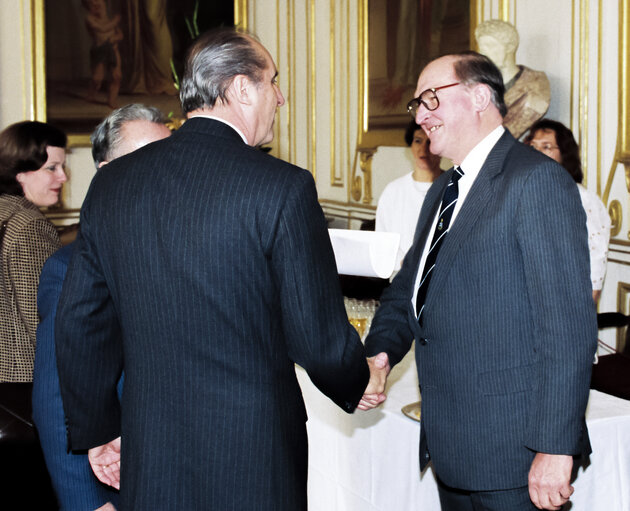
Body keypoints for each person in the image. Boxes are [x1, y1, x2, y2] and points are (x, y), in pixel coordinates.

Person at [55, 28, 370, 510]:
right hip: (255, 452)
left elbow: (82, 320)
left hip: (151, 444)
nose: (280, 97)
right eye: (274, 82)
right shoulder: (282, 187)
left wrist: (99, 428)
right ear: (243, 88)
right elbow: (317, 339)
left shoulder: (112, 183)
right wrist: (358, 378)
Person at [360, 52, 597, 511]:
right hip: (454, 450)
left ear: (479, 97)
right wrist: (380, 355)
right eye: (416, 105)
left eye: (431, 99)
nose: (421, 115)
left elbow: (567, 330)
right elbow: (408, 290)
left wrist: (554, 447)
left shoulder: (535, 182)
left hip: (517, 457)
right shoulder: (442, 190)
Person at [32, 104, 171, 511]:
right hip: (120, 487)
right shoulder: (71, 268)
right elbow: (58, 399)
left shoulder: (195, 253)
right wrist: (86, 503)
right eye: (149, 162)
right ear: (109, 172)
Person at [0, 121, 67, 382]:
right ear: (19, 173)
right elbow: (46, 324)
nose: (63, 177)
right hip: (21, 385)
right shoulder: (29, 226)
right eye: (52, 168)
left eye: (63, 166)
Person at [524, 119, 611, 303]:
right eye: (532, 146)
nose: (536, 152)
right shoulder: (524, 194)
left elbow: (595, 258)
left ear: (564, 154)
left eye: (546, 147)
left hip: (565, 300)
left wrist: (586, 309)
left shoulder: (581, 198)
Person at [376, 120, 441, 271]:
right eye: (418, 141)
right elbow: (382, 244)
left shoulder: (452, 186)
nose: (423, 149)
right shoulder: (393, 191)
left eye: (430, 141)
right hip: (400, 277)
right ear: (411, 145)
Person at [475, 19, 551, 139]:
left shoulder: (536, 83)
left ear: (510, 47)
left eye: (490, 46)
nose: (483, 52)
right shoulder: (479, 87)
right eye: (481, 47)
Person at [81, 0, 124, 108]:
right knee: (97, 78)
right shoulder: (90, 19)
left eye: (98, 1)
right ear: (87, 7)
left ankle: (112, 100)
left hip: (113, 50)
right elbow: (102, 29)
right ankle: (91, 94)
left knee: (116, 76)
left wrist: (115, 38)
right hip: (99, 50)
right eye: (91, 4)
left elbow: (120, 35)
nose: (96, 4)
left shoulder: (108, 18)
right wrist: (115, 21)